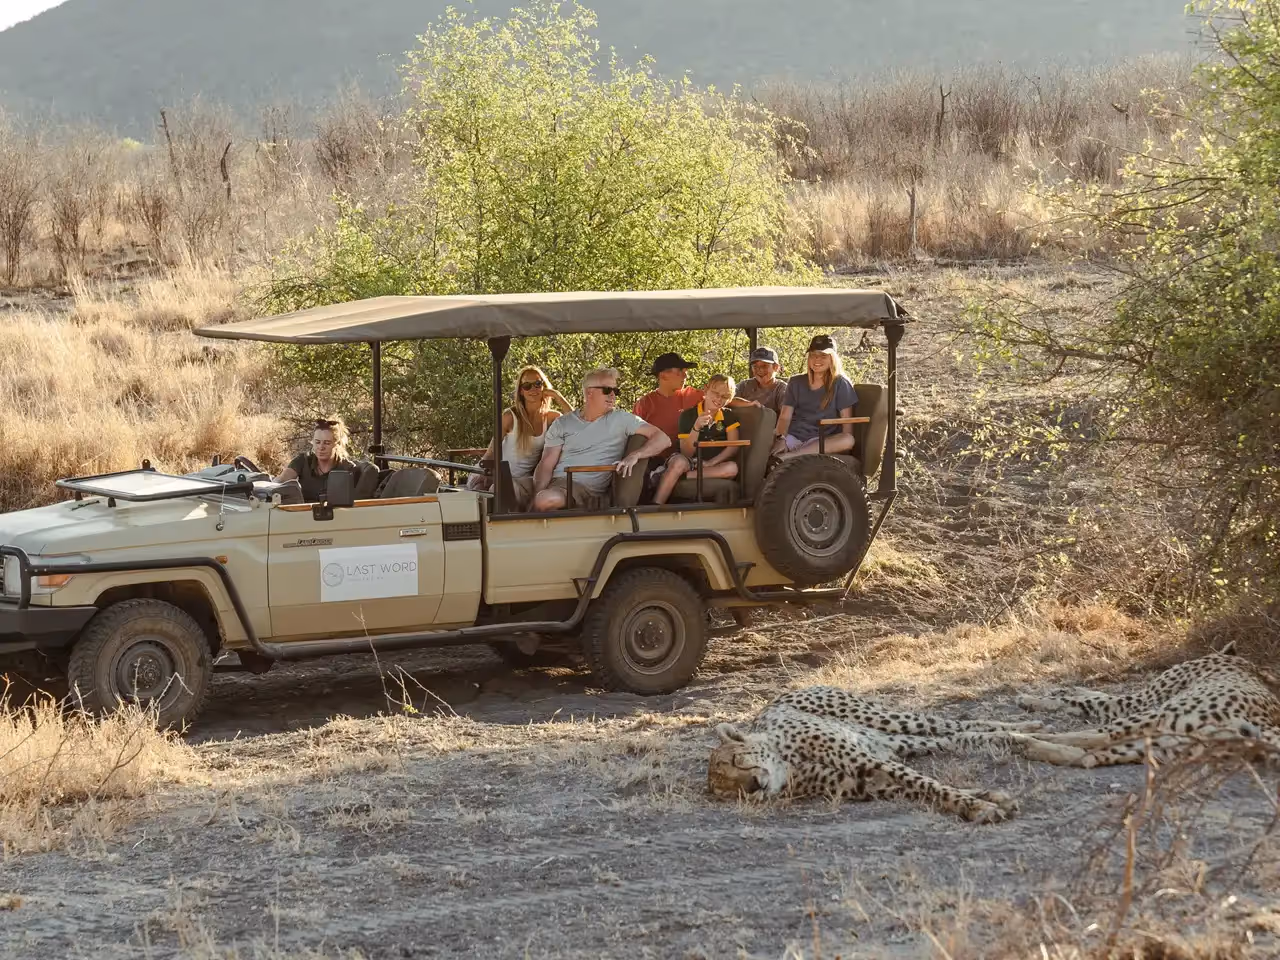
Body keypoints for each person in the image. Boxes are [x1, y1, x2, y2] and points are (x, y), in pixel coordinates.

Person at [530, 368, 671, 512]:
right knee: (511, 488)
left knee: (545, 500)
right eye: (606, 390)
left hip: (583, 488)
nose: (612, 395)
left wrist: (636, 455)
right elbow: (547, 464)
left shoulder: (622, 419)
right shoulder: (562, 423)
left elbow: (663, 439)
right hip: (556, 484)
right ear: (589, 392)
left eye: (615, 391)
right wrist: (535, 496)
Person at [467, 365, 571, 507]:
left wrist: (557, 396)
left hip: (522, 481)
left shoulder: (552, 417)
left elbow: (574, 422)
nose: (533, 389)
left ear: (544, 387)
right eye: (527, 386)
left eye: (537, 384)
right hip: (495, 474)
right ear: (521, 391)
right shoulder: (510, 416)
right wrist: (482, 473)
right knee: (487, 494)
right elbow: (491, 451)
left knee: (509, 494)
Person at [652, 374, 742, 505]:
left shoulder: (729, 416)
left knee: (732, 468)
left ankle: (678, 475)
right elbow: (686, 452)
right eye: (715, 393)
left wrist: (711, 463)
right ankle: (656, 505)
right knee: (679, 463)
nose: (718, 399)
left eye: (725, 396)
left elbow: (733, 446)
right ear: (705, 390)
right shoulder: (688, 415)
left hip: (712, 463)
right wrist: (696, 427)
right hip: (689, 460)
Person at [772, 334, 858, 459]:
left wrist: (841, 449)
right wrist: (781, 439)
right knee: (762, 438)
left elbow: (847, 425)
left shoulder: (841, 383)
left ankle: (790, 457)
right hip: (792, 437)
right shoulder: (795, 382)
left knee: (848, 440)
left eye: (823, 355)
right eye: (813, 355)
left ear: (832, 358)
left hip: (821, 441)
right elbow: (785, 416)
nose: (817, 359)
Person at [274, 417, 360, 502]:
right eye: (317, 442)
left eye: (327, 443)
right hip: (303, 513)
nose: (321, 447)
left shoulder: (348, 469)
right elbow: (281, 480)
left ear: (337, 444)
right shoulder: (303, 461)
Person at [734, 346, 788, 413]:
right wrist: (749, 404)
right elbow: (726, 399)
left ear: (776, 367)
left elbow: (787, 416)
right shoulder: (744, 385)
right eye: (755, 366)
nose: (760, 370)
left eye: (764, 366)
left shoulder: (782, 389)